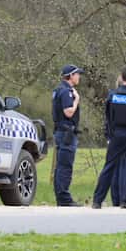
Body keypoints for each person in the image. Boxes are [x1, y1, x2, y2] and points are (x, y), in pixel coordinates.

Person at [92, 65, 126, 209]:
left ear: (121, 77)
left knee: (109, 166)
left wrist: (111, 133)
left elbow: (108, 116)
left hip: (116, 134)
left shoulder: (112, 95)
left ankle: (97, 200)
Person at [51, 64, 84, 206]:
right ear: (70, 76)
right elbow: (68, 112)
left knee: (60, 166)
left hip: (61, 132)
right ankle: (64, 199)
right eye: (77, 74)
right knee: (65, 166)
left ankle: (61, 198)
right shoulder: (66, 92)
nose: (79, 77)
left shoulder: (59, 89)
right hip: (66, 133)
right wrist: (76, 100)